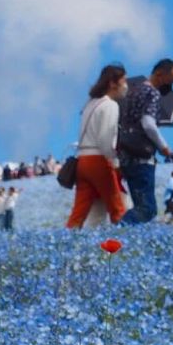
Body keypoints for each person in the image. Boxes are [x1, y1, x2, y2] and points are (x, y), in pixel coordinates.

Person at [117, 58, 173, 224]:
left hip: (126, 155)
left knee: (140, 206)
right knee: (147, 209)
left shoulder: (133, 91)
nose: (171, 85)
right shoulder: (152, 93)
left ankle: (121, 237)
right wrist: (164, 147)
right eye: (170, 80)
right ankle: (117, 232)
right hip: (142, 157)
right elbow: (148, 124)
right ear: (159, 74)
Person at [67, 63, 129, 228]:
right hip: (99, 160)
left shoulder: (90, 104)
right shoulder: (110, 105)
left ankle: (65, 241)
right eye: (124, 81)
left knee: (79, 211)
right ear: (112, 83)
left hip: (82, 161)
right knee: (117, 207)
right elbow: (105, 138)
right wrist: (114, 161)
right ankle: (122, 244)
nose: (126, 86)